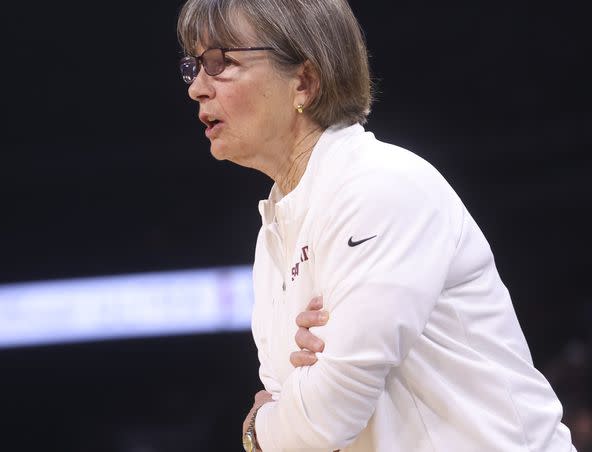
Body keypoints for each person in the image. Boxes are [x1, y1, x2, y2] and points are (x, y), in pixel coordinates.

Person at [176, 0, 577, 451]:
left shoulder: (379, 185)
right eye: (194, 66)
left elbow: (325, 415)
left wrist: (256, 431)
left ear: (304, 81)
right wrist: (289, 412)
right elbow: (296, 415)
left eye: (220, 62)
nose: (197, 88)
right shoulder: (275, 229)